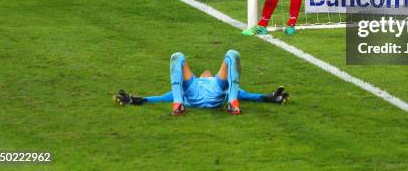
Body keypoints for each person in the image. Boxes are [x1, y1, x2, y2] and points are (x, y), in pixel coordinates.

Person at [114, 50, 289, 115]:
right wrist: (269, 97)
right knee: (232, 55)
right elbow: (250, 96)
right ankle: (233, 104)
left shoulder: (188, 87)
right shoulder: (224, 85)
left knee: (177, 57)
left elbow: (158, 98)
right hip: (215, 93)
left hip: (194, 94)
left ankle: (177, 105)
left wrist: (134, 99)